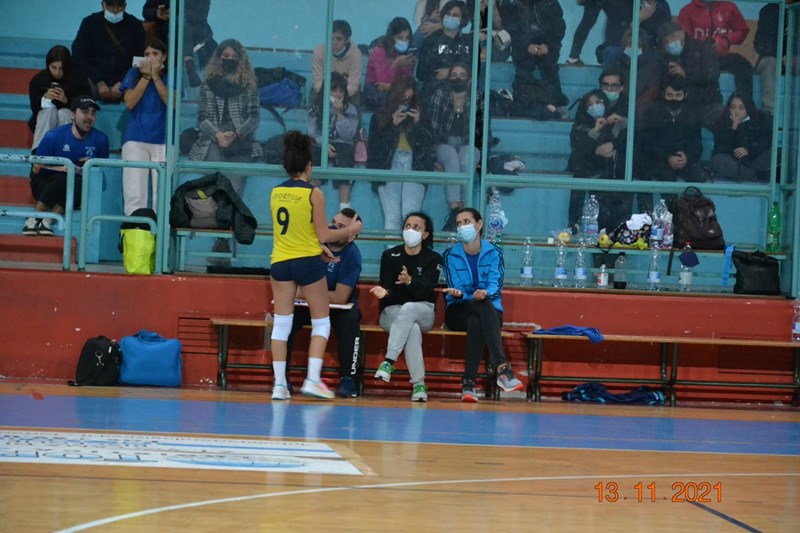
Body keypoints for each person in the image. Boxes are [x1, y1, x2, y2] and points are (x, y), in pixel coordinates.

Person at [269, 131, 362, 401]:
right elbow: (324, 234)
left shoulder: (276, 192)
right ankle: (312, 379)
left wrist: (317, 245)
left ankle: (279, 385)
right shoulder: (314, 193)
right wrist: (351, 229)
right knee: (321, 322)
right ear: (309, 166)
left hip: (280, 261)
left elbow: (294, 231)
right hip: (307, 262)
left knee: (281, 324)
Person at [188, 39, 262, 262]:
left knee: (234, 192)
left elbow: (254, 118)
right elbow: (202, 118)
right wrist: (218, 135)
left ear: (241, 60)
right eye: (225, 56)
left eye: (234, 57)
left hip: (241, 143)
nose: (229, 60)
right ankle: (221, 240)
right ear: (219, 58)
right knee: (219, 189)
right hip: (213, 140)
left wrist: (236, 133)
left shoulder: (249, 85)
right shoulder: (208, 84)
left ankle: (222, 241)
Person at [442, 207, 523, 402]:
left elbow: (495, 284)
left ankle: (468, 384)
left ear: (479, 225)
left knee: (477, 319)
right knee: (479, 306)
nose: (462, 227)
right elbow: (455, 286)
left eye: (467, 222)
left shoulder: (494, 252)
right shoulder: (450, 255)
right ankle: (502, 368)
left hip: (488, 311)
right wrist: (463, 294)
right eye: (459, 223)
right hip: (458, 310)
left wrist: (485, 293)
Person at [285, 208, 363, 398]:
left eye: (341, 226)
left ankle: (348, 379)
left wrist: (307, 292)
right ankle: (281, 377)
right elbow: (291, 288)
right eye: (333, 222)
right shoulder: (311, 245)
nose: (333, 228)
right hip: (307, 306)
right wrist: (305, 293)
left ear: (351, 236)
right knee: (285, 317)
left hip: (337, 309)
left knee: (351, 320)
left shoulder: (352, 255)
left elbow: (340, 297)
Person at [371, 212, 442, 402]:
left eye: (416, 227)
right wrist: (385, 292)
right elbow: (388, 287)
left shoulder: (433, 258)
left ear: (425, 234)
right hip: (392, 313)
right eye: (407, 226)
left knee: (410, 308)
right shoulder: (390, 256)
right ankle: (419, 385)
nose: (410, 230)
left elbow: (426, 292)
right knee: (412, 328)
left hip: (423, 310)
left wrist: (409, 282)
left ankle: (388, 361)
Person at [23, 96, 110, 236]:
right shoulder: (54, 136)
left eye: (93, 113)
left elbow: (103, 172)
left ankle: (47, 220)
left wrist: (92, 165)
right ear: (73, 115)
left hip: (75, 188)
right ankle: (33, 218)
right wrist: (60, 168)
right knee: (64, 177)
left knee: (81, 182)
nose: (89, 117)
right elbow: (36, 168)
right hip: (45, 184)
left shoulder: (101, 139)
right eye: (85, 112)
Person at [367, 77, 435, 231]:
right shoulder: (379, 117)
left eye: (410, 99)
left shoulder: (422, 118)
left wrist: (418, 124)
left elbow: (428, 148)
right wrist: (392, 126)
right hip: (388, 166)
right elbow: (376, 149)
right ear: (394, 97)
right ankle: (393, 248)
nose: (405, 103)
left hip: (415, 165)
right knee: (392, 217)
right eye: (403, 99)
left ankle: (412, 247)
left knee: (410, 215)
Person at [425, 63, 479, 231]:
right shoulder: (440, 95)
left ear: (469, 79)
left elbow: (483, 130)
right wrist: (432, 158)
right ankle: (456, 209)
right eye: (454, 75)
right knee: (451, 158)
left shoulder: (477, 98)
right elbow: (432, 128)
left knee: (467, 158)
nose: (458, 78)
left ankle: (462, 210)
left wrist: (482, 160)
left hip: (467, 144)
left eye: (462, 75)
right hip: (444, 143)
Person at [120, 38, 168, 216]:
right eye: (147, 54)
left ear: (164, 57)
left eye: (155, 53)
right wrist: (146, 77)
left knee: (162, 195)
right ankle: (135, 230)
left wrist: (156, 77)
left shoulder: (173, 74)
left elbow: (172, 103)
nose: (150, 57)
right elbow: (130, 103)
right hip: (135, 138)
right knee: (134, 192)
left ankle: (161, 232)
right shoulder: (133, 74)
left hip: (164, 139)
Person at [71, 0, 146, 102]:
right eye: (110, 5)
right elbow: (78, 56)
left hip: (126, 81)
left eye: (119, 5)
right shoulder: (89, 23)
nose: (115, 10)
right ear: (103, 5)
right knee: (76, 82)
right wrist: (98, 81)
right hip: (93, 81)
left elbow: (140, 59)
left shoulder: (135, 25)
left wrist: (123, 81)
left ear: (125, 6)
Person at [636, 74, 703, 183]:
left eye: (678, 95)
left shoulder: (692, 114)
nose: (674, 99)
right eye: (670, 95)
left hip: (685, 160)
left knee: (696, 176)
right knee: (666, 176)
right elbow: (648, 143)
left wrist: (686, 157)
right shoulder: (653, 113)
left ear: (685, 95)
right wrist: (668, 156)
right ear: (663, 94)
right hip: (659, 159)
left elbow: (696, 144)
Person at [657, 20, 723, 129]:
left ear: (682, 33)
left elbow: (712, 75)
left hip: (706, 102)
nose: (670, 42)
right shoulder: (665, 57)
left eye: (673, 37)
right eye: (666, 41)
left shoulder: (703, 48)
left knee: (718, 116)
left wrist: (686, 74)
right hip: (678, 104)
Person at [678, 0, 752, 97]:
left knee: (744, 65)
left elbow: (742, 30)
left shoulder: (729, 8)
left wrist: (726, 40)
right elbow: (683, 39)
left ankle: (743, 102)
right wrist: (703, 46)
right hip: (697, 60)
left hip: (721, 57)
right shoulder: (687, 11)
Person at [507, 0, 568, 118]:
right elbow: (512, 31)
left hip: (547, 45)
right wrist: (527, 45)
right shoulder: (516, 5)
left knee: (549, 64)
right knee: (525, 65)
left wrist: (547, 45)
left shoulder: (551, 3)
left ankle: (555, 103)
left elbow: (559, 28)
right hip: (522, 46)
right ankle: (523, 102)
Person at [307, 72, 358, 209]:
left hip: (342, 145)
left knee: (346, 157)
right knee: (311, 155)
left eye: (341, 91)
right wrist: (324, 144)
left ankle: (344, 207)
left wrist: (340, 115)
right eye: (334, 90)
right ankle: (315, 205)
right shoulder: (315, 108)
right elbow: (312, 133)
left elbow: (348, 136)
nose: (338, 94)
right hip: (321, 144)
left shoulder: (351, 109)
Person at [142, 0, 216, 88]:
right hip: (167, 51)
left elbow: (200, 15)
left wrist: (176, 12)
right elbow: (146, 11)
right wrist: (156, 12)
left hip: (197, 48)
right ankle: (188, 61)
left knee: (195, 90)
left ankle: (188, 62)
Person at [710, 92, 771, 183]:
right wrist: (734, 128)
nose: (736, 112)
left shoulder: (760, 118)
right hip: (734, 161)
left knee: (773, 154)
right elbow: (721, 148)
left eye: (741, 108)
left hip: (754, 158)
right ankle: (754, 175)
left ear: (748, 108)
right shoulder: (722, 121)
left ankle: (751, 174)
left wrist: (748, 150)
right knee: (718, 160)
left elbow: (764, 142)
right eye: (733, 107)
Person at [364, 17, 417, 112]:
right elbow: (381, 82)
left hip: (397, 89)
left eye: (407, 38)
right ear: (391, 37)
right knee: (393, 99)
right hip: (375, 92)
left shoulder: (408, 53)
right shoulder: (379, 51)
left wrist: (392, 87)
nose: (404, 42)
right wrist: (395, 65)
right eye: (400, 38)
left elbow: (407, 81)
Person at [28, 46, 75, 153]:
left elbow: (84, 103)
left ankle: (67, 152)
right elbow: (34, 107)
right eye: (53, 67)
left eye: (61, 68)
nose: (57, 72)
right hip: (45, 116)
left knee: (64, 113)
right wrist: (44, 98)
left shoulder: (77, 78)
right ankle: (40, 153)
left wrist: (67, 100)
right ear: (48, 65)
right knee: (48, 111)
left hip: (69, 114)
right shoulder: (38, 80)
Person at [416, 0, 472, 84]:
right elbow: (420, 73)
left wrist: (451, 72)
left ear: (462, 20)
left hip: (462, 88)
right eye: (448, 14)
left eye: (455, 15)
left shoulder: (468, 41)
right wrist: (436, 76)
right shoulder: (431, 41)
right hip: (435, 88)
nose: (450, 17)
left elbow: (473, 69)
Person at [311, 20, 362, 106]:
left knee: (355, 96)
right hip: (325, 92)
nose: (334, 43)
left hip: (346, 93)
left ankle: (352, 115)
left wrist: (339, 95)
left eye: (339, 39)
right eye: (331, 39)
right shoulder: (319, 52)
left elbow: (353, 84)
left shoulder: (356, 54)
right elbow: (318, 82)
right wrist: (331, 95)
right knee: (314, 93)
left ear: (347, 40)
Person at [753, 3, 781, 116]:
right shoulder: (770, 11)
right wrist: (782, 57)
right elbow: (759, 43)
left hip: (794, 63)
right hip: (774, 60)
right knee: (769, 63)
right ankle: (770, 114)